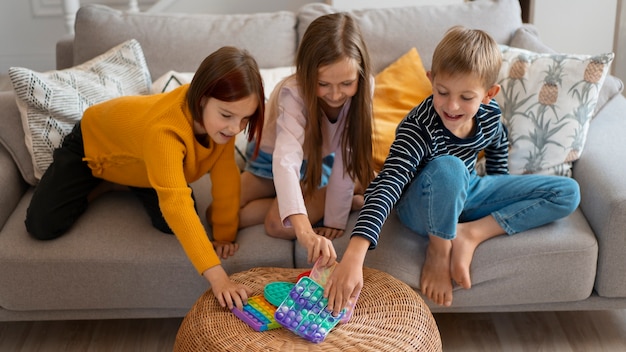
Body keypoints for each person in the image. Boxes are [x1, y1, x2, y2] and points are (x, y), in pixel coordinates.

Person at [323, 26, 581, 312]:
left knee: (568, 192)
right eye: (442, 92)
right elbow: (389, 183)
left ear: (488, 95)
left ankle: (470, 233)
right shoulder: (418, 126)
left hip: (468, 190)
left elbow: (498, 143)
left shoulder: (490, 116)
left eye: (466, 97)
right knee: (451, 167)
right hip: (420, 205)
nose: (452, 105)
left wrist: (498, 185)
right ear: (431, 80)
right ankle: (439, 249)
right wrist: (353, 256)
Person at [24, 46, 266, 311]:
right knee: (42, 225)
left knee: (167, 225)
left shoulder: (221, 129)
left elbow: (227, 178)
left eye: (245, 119)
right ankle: (107, 180)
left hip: (144, 163)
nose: (235, 128)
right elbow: (176, 203)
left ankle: (125, 180)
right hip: (94, 146)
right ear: (201, 99)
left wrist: (224, 236)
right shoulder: (164, 132)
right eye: (227, 115)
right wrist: (219, 278)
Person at [238, 13, 376, 267]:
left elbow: (346, 154)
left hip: (312, 164)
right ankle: (345, 196)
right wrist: (305, 228)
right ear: (307, 74)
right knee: (222, 213)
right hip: (269, 158)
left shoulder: (365, 88)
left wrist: (335, 217)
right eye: (323, 83)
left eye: (346, 83)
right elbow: (285, 159)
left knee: (276, 224)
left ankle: (335, 196)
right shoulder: (294, 92)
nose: (335, 95)